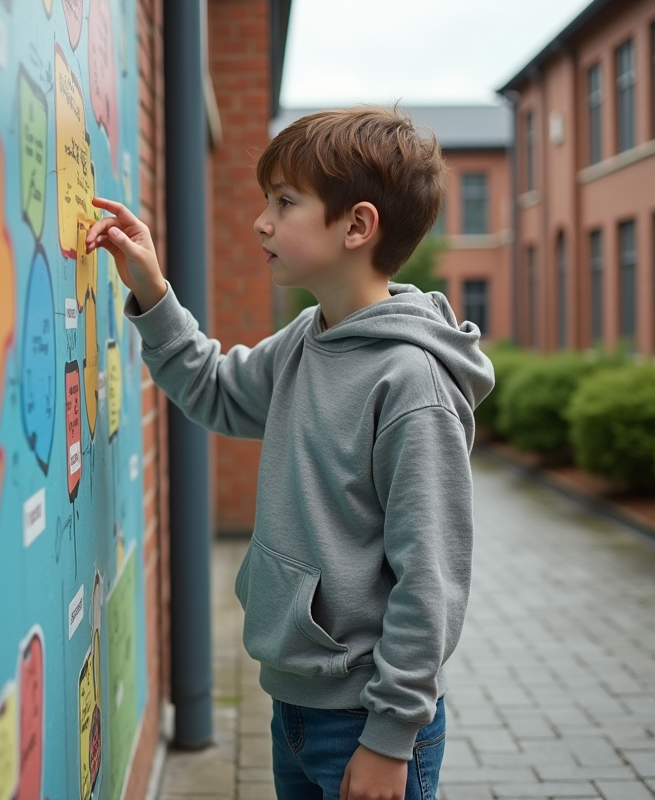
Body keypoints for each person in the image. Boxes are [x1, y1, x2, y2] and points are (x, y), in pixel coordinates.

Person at [86, 106, 494, 800]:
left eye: (285, 202)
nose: (261, 222)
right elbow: (212, 387)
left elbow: (432, 582)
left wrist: (390, 738)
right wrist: (151, 289)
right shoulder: (307, 339)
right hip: (295, 707)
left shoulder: (412, 384)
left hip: (367, 725)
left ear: (357, 226)